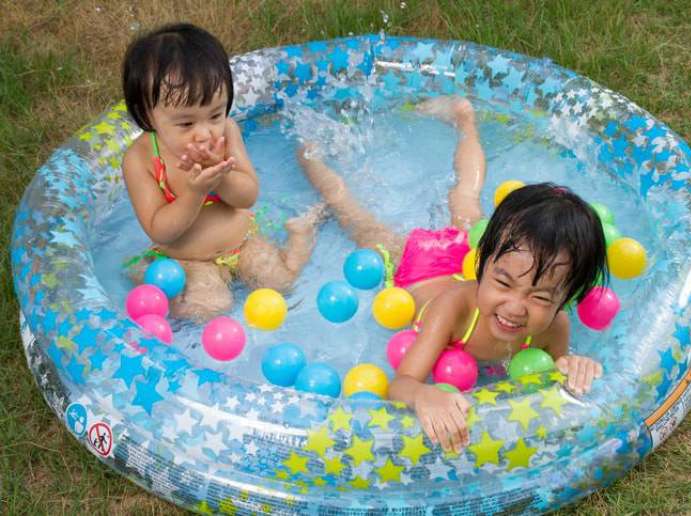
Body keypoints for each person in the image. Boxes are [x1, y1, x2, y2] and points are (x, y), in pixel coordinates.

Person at [297, 96, 606, 453]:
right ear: (483, 263)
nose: (516, 306)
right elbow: (402, 384)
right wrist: (424, 395)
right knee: (363, 222)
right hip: (420, 269)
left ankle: (464, 119)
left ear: (563, 299)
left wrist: (570, 365)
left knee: (465, 201)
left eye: (538, 296)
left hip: (482, 263)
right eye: (504, 285)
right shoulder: (453, 309)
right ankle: (313, 157)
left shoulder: (555, 324)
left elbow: (553, 369)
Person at [121, 23, 323, 322]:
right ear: (148, 114)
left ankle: (300, 235)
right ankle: (158, 285)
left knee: (280, 283)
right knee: (212, 306)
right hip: (186, 258)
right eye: (186, 124)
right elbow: (158, 228)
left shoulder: (227, 132)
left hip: (242, 243)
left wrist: (222, 175)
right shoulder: (140, 159)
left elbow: (248, 196)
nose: (204, 133)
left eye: (215, 114)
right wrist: (195, 192)